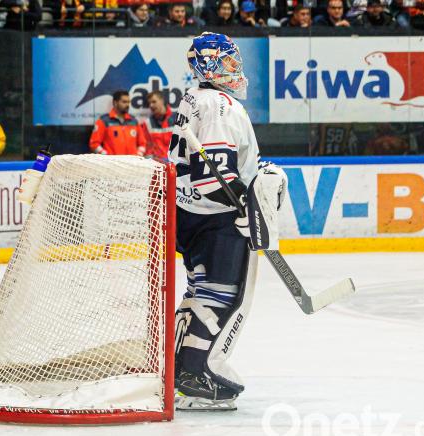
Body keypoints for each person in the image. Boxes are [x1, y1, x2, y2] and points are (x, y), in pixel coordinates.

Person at [169, 32, 287, 411]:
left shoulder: (195, 98)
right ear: (210, 65)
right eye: (229, 61)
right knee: (221, 295)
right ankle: (193, 375)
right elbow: (210, 178)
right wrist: (243, 206)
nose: (237, 67)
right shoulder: (221, 107)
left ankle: (180, 367)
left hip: (190, 214)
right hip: (214, 220)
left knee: (200, 290)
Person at [89, 90, 146, 156]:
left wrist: (138, 155)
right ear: (115, 103)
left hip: (132, 164)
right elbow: (94, 144)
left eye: (128, 102)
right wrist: (106, 156)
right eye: (124, 102)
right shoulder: (104, 121)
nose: (127, 105)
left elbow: (142, 143)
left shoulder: (134, 121)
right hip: (112, 164)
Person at [141, 91, 177, 159]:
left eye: (154, 102)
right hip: (157, 166)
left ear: (162, 101)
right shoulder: (147, 123)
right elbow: (146, 148)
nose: (151, 105)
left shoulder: (177, 119)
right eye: (149, 103)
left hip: (175, 166)